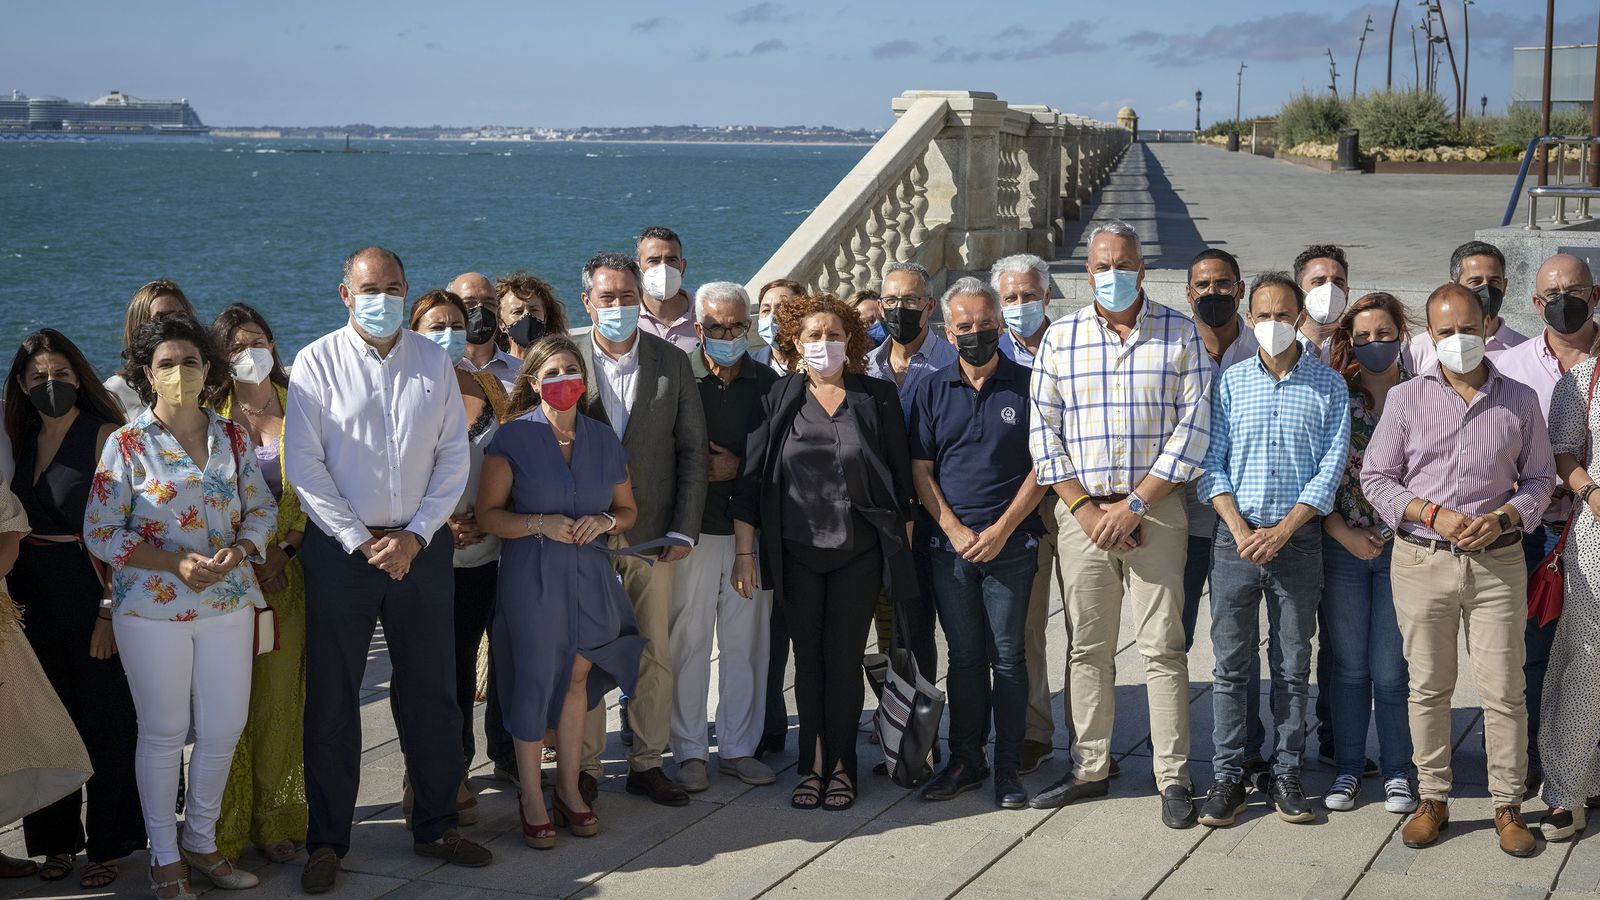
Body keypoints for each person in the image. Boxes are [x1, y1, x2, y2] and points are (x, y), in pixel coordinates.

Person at [284, 247, 491, 894]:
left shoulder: (434, 361)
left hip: (420, 550)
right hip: (341, 555)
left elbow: (452, 459)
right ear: (345, 293)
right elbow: (305, 466)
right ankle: (327, 840)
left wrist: (416, 534)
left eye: (394, 287)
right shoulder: (315, 363)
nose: (383, 298)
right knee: (333, 700)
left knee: (431, 693)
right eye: (370, 288)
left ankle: (434, 823)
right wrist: (358, 539)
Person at [1361, 282, 1556, 857]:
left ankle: (1507, 805)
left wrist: (1503, 518)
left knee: (1504, 689)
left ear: (1487, 325)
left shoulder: (1518, 398)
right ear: (1429, 336)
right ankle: (1434, 798)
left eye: (1467, 328)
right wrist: (1433, 514)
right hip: (1424, 558)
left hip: (1496, 561)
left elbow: (1541, 478)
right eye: (1445, 332)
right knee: (1429, 687)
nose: (1457, 340)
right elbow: (1377, 480)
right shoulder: (1405, 399)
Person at [84, 314, 276, 898]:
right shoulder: (126, 445)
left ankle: (201, 841)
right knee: (165, 731)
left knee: (224, 727)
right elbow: (99, 530)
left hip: (228, 602)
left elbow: (262, 509)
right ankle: (164, 859)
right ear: (147, 374)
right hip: (152, 611)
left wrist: (242, 547)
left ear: (207, 369)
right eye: (166, 364)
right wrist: (175, 564)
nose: (179, 372)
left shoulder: (234, 436)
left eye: (189, 361)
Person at [1027, 219, 1210, 829]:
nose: (1113, 274)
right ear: (1088, 272)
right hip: (1082, 511)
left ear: (1142, 265)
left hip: (1155, 508)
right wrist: (1086, 509)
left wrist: (1134, 505)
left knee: (1163, 647)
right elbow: (1043, 434)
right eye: (1102, 265)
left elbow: (1194, 430)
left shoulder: (1180, 332)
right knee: (1088, 646)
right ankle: (1090, 766)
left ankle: (1173, 776)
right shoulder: (1061, 339)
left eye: (1123, 263)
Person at [730, 293, 917, 811]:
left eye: (834, 335)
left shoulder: (875, 396)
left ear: (851, 341)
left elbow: (901, 482)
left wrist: (902, 558)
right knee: (806, 663)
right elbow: (750, 482)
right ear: (794, 341)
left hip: (858, 553)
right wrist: (745, 555)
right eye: (813, 335)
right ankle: (811, 762)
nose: (824, 344)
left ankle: (842, 767)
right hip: (796, 553)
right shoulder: (778, 396)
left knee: (842, 660)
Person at [475, 333, 644, 848]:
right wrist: (538, 524)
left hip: (590, 576)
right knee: (532, 679)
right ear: (533, 382)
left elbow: (628, 511)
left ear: (583, 379)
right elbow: (489, 516)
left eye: (570, 370)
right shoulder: (511, 439)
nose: (562, 380)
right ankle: (531, 794)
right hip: (534, 577)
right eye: (550, 373)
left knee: (577, 675)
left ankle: (570, 789)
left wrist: (604, 520)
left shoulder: (603, 437)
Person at [1195, 273, 1350, 828]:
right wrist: (1238, 528)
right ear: (1249, 315)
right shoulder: (1231, 383)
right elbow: (1211, 464)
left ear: (1301, 315)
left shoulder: (1329, 387)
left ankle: (1287, 772)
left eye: (1284, 315)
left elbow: (1329, 470)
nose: (1273, 325)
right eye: (1263, 315)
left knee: (1291, 663)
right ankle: (1228, 774)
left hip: (1298, 541)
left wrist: (1284, 530)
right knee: (1231, 664)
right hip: (1236, 540)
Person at [4, 329, 141, 890]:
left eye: (60, 375)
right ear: (21, 384)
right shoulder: (17, 436)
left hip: (93, 594)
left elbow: (129, 532)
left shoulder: (106, 436)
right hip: (28, 602)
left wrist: (108, 612)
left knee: (107, 724)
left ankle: (109, 846)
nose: (50, 384)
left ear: (78, 376)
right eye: (39, 378)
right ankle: (55, 843)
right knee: (47, 722)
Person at [571, 251, 708, 807]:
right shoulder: (565, 360)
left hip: (653, 537)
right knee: (586, 652)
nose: (619, 306)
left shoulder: (671, 363)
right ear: (588, 302)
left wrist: (684, 530)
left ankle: (648, 762)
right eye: (607, 298)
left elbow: (693, 452)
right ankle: (581, 766)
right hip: (583, 539)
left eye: (628, 296)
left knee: (654, 651)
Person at [910, 278, 1044, 810]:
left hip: (1012, 545)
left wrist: (1002, 529)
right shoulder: (931, 388)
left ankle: (1008, 768)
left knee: (1009, 658)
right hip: (951, 550)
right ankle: (965, 759)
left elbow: (1045, 467)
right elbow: (920, 469)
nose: (976, 333)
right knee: (964, 658)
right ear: (948, 331)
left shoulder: (1031, 385)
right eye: (964, 327)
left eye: (985, 324)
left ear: (999, 323)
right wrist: (954, 530)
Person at [667, 282, 780, 793]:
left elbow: (779, 458)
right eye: (717, 327)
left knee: (746, 643)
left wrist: (735, 469)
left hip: (749, 535)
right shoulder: (675, 378)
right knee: (688, 643)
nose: (728, 335)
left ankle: (738, 747)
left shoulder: (769, 382)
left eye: (738, 326)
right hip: (691, 534)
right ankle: (690, 750)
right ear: (699, 328)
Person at [1494, 252, 1600, 797]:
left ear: (1595, 294)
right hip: (1540, 534)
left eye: (1576, 291)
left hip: (1588, 533)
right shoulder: (1510, 367)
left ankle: (1588, 764)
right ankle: (1540, 759)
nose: (1565, 303)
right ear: (1536, 304)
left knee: (1590, 656)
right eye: (1553, 295)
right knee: (1536, 654)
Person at [210, 304, 309, 865]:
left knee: (278, 701)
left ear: (273, 343)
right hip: (226, 581)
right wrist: (244, 558)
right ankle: (222, 827)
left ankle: (277, 818)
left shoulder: (307, 407)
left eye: (257, 339)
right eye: (235, 346)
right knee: (226, 709)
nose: (250, 352)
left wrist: (283, 550)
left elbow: (322, 491)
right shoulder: (209, 416)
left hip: (289, 578)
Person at [1320, 293, 1419, 815]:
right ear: (1350, 341)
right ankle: (1349, 769)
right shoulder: (1338, 395)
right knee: (1350, 667)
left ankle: (1401, 771)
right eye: (1364, 337)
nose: (1374, 344)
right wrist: (1341, 533)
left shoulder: (1424, 394)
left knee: (1391, 670)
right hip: (1345, 548)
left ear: (1401, 334)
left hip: (1407, 549)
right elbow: (1321, 474)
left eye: (1384, 334)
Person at [407, 290, 501, 821]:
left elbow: (504, 456)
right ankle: (421, 776)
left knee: (463, 668)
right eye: (434, 324)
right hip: (423, 553)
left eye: (455, 324)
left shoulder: (486, 386)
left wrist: (484, 516)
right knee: (426, 672)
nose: (446, 334)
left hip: (483, 553)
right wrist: (439, 524)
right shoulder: (401, 388)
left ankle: (458, 767)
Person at [867, 261, 956, 709]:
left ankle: (928, 733)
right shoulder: (866, 368)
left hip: (939, 515)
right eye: (891, 301)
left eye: (910, 300)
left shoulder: (953, 364)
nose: (900, 309)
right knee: (894, 628)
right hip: (882, 518)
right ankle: (896, 725)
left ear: (930, 305)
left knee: (926, 630)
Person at [990, 252, 1062, 774]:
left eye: (1029, 295)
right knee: (1027, 627)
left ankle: (1092, 735)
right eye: (1010, 298)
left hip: (1080, 501)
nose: (1021, 305)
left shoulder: (1076, 344)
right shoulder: (987, 355)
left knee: (1087, 630)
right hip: (1022, 506)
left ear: (1048, 296)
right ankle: (1034, 729)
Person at [1535, 351, 1600, 841]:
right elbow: (1563, 453)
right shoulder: (1582, 377)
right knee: (1587, 662)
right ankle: (1567, 791)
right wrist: (1592, 491)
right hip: (1595, 537)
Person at [1293, 244, 1351, 766]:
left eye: (1336, 280)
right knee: (1289, 642)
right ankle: (1273, 745)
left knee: (1340, 640)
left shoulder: (1364, 347)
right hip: (1293, 521)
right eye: (1316, 280)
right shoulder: (1272, 352)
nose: (1327, 290)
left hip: (1350, 522)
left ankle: (1335, 736)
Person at [1408, 241, 1527, 373]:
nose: (1486, 289)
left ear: (1504, 287)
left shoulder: (1525, 350)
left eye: (1494, 281)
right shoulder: (1419, 348)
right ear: (1453, 286)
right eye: (1475, 282)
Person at [105, 279, 201, 417]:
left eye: (181, 316)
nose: (174, 324)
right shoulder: (116, 392)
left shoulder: (202, 382)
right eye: (161, 318)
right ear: (139, 326)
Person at [449, 271, 522, 390]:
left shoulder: (521, 373)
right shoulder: (439, 368)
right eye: (469, 303)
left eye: (489, 303)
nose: (480, 311)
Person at [636, 226, 700, 354]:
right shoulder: (628, 318)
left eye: (671, 260)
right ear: (638, 269)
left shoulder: (704, 314)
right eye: (653, 261)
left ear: (683, 267)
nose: (663, 268)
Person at [1293, 245, 1349, 360]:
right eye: (1319, 282)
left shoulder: (1357, 347)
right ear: (1298, 292)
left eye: (1338, 283)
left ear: (1347, 293)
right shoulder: (1282, 347)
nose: (1330, 289)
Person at [496, 271, 569, 359]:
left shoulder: (557, 362)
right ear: (501, 324)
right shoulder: (497, 368)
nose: (527, 315)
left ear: (545, 317)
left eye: (534, 310)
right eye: (517, 312)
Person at [752, 278, 804, 376]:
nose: (772, 317)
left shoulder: (815, 362)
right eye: (766, 310)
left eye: (781, 309)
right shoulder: (750, 364)